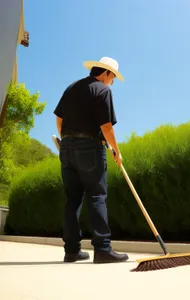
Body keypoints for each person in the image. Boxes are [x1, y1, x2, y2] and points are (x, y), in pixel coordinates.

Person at [53, 57, 129, 263]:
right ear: (106, 73)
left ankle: (71, 251)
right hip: (90, 148)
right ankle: (103, 249)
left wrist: (68, 139)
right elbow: (107, 127)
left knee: (72, 199)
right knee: (97, 196)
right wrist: (116, 151)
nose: (112, 82)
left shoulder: (71, 88)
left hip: (67, 147)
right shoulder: (102, 90)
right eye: (112, 77)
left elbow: (59, 120)